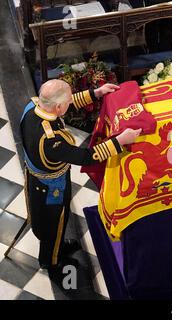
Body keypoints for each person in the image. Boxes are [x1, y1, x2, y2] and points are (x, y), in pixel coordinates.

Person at [20, 79, 142, 280]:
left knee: (59, 220)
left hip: (43, 178)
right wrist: (119, 141)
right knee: (53, 224)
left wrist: (96, 93)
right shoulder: (50, 139)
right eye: (67, 101)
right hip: (50, 189)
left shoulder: (35, 104)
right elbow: (85, 157)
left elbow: (63, 103)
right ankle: (51, 262)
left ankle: (57, 248)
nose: (70, 103)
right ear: (58, 107)